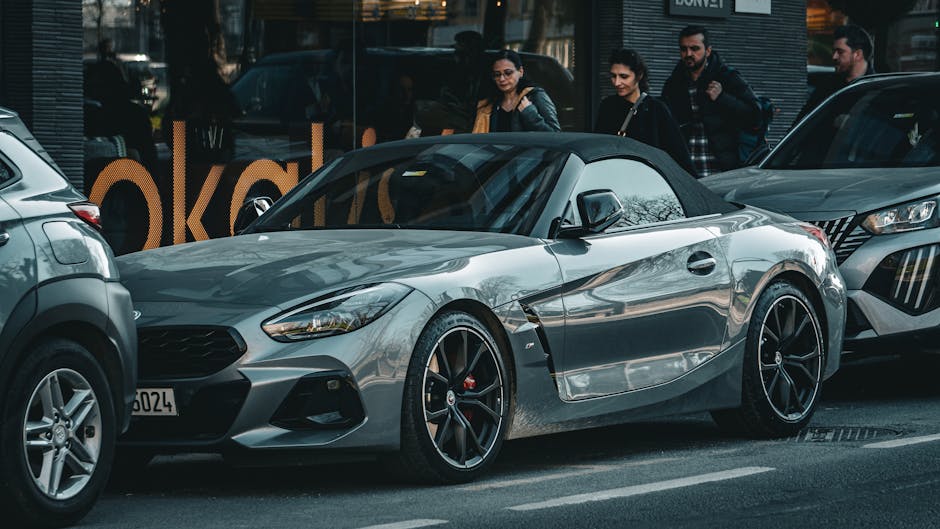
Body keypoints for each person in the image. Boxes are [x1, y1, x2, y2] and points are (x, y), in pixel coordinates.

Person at [662, 25, 760, 177]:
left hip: (723, 169)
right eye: (683, 49)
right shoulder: (674, 84)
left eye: (695, 49)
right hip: (688, 170)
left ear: (708, 50)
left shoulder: (727, 77)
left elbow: (755, 116)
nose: (688, 54)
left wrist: (722, 98)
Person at [595, 49, 696, 176]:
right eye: (613, 76)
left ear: (639, 75)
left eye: (624, 76)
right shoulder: (607, 106)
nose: (617, 82)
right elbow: (598, 147)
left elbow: (678, 153)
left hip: (648, 181)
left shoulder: (656, 109)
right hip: (616, 177)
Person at [795, 24, 875, 124]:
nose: (834, 56)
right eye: (834, 51)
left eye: (840, 52)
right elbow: (802, 122)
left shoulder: (878, 89)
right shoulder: (826, 87)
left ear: (857, 54)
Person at [473, 50, 561, 133]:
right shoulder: (489, 105)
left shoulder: (535, 96)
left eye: (508, 73)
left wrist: (530, 114)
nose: (502, 79)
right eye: (497, 74)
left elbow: (555, 136)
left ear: (521, 72)